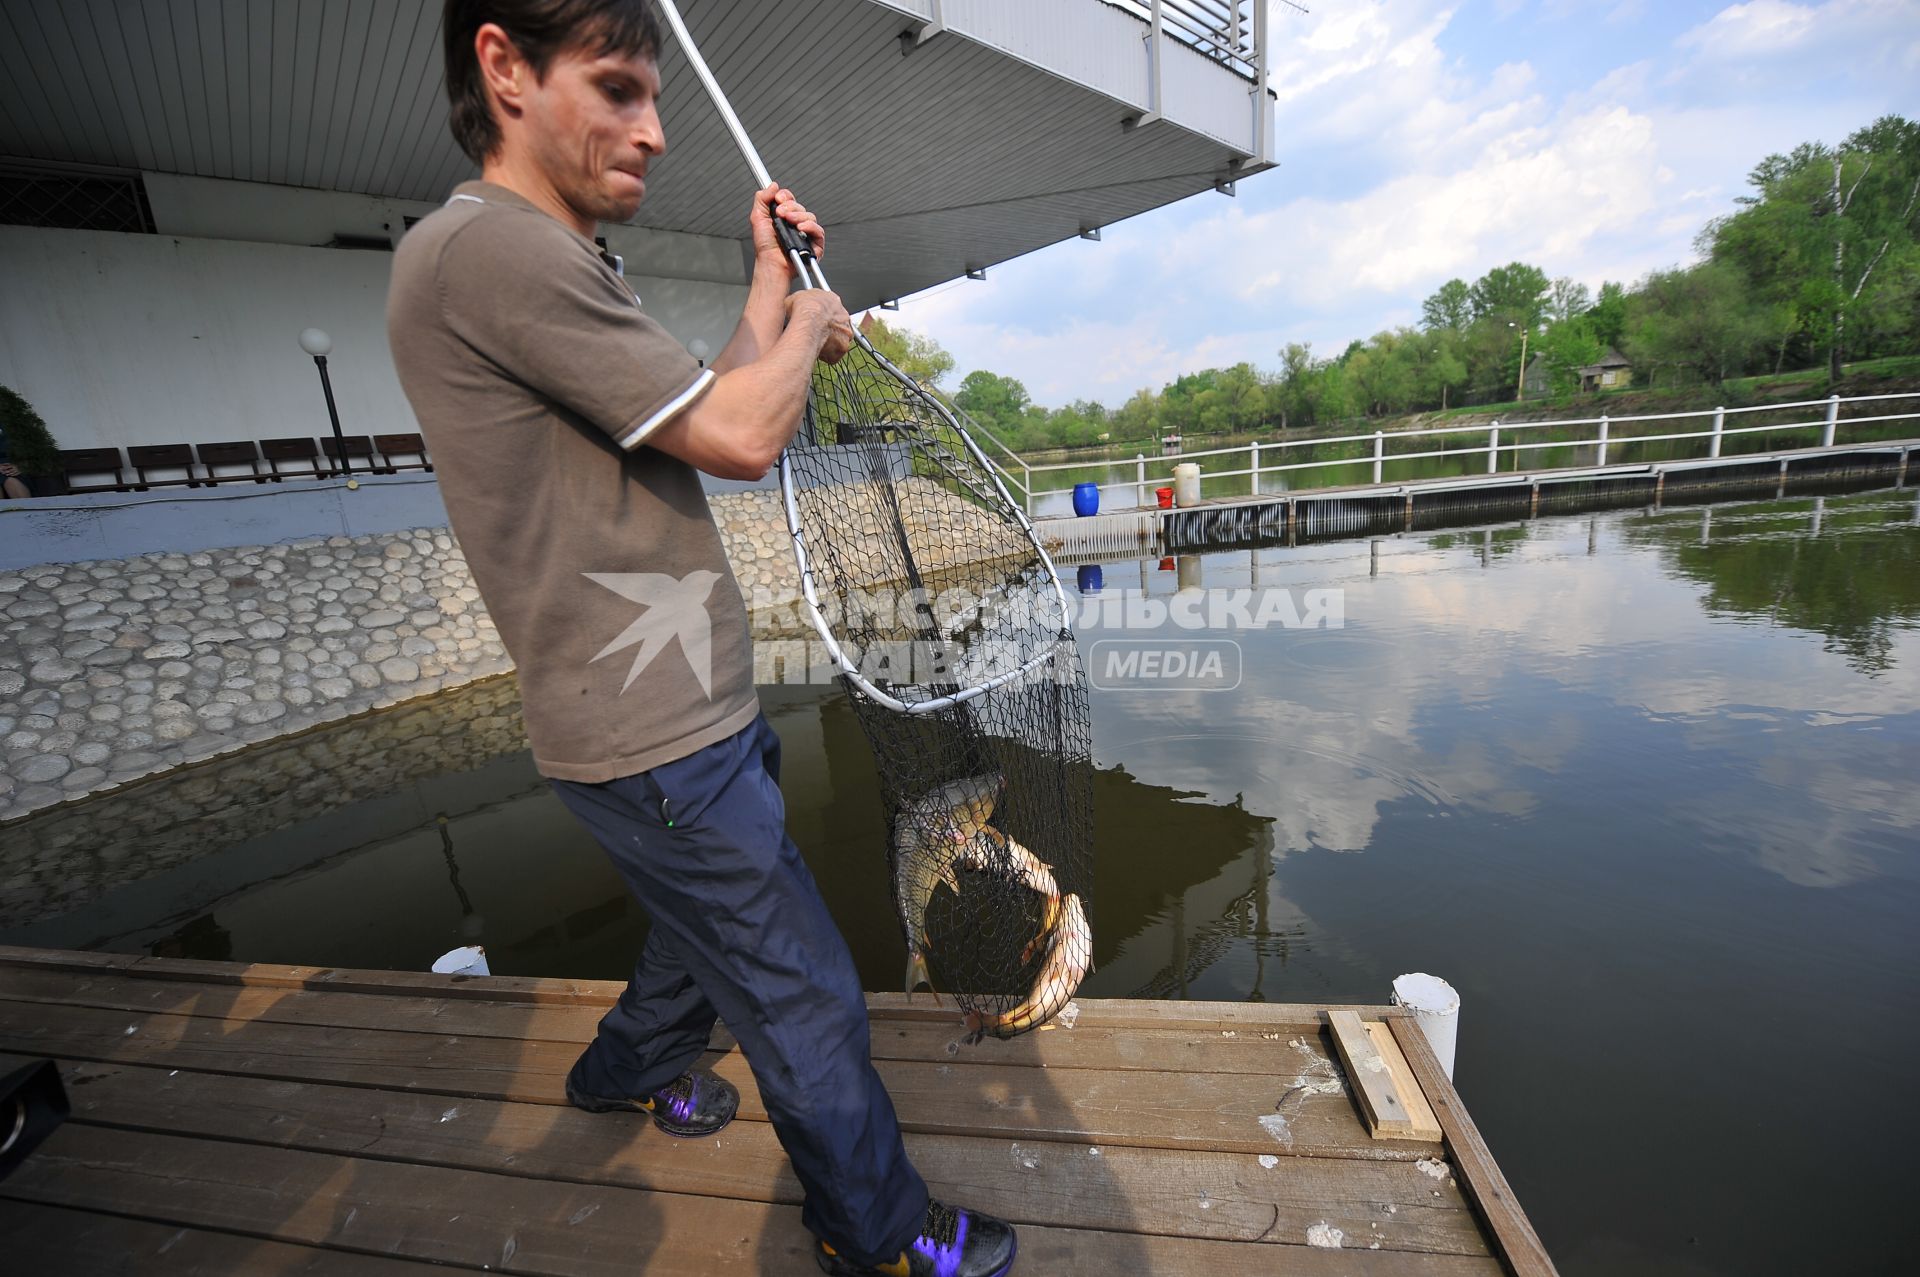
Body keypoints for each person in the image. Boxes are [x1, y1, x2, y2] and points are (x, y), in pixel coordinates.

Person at [386, 4, 1017, 1275]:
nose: (656, 131)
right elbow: (745, 437)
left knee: (702, 926)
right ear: (504, 67)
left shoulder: (549, 256)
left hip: (686, 716)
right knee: (802, 990)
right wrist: (813, 331)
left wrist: (771, 289)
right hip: (652, 736)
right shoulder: (491, 255)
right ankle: (876, 1232)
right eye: (618, 89)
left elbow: (706, 409)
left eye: (658, 98)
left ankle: (626, 1066)